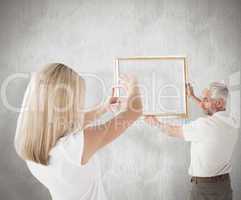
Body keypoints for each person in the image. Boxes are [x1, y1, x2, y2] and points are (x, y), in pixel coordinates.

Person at [14, 63, 143, 200]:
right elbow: (134, 112)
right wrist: (134, 85)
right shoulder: (77, 146)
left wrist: (103, 108)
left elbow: (66, 123)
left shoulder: (30, 146)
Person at [144, 82, 239, 200]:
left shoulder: (204, 125)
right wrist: (193, 97)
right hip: (224, 185)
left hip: (204, 188)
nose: (202, 104)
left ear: (219, 102)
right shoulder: (234, 122)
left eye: (206, 100)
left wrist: (156, 123)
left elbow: (173, 131)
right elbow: (212, 110)